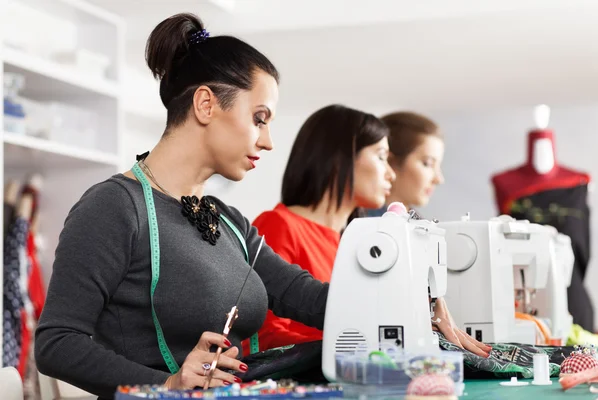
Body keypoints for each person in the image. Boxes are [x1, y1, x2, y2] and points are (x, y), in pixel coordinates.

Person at [34, 13, 329, 400]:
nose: (268, 141)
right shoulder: (114, 208)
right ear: (206, 104)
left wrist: (413, 303)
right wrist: (168, 385)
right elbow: (56, 343)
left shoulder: (227, 220)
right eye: (259, 119)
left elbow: (304, 296)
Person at [246, 106, 490, 358]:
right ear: (341, 158)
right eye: (381, 157)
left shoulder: (353, 241)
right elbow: (265, 338)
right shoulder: (278, 225)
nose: (390, 173)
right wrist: (367, 346)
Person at [367, 111, 445, 216]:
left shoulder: (422, 227)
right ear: (389, 162)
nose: (439, 179)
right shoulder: (358, 225)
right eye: (427, 164)